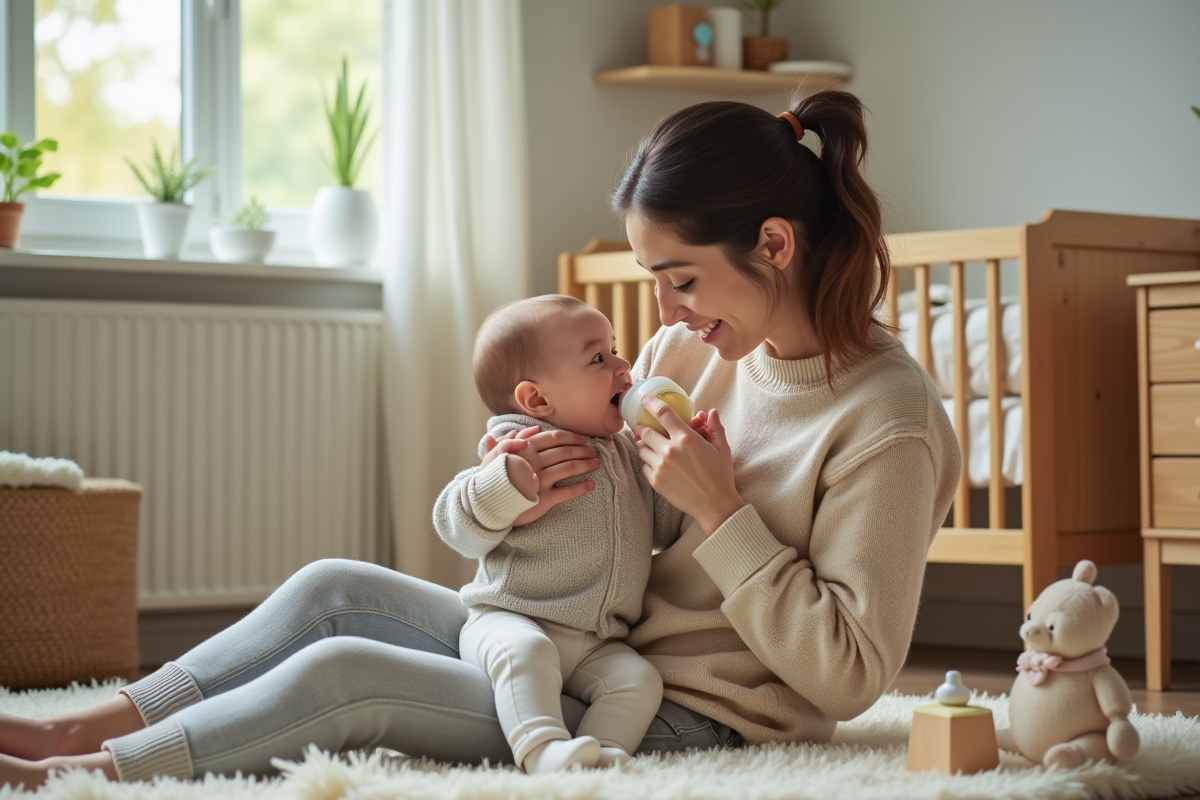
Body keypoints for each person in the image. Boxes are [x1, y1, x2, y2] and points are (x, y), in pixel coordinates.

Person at [0, 88, 960, 788]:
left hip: (669, 712)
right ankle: (80, 722)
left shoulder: (887, 420)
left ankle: (92, 773)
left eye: (682, 277)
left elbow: (848, 678)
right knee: (334, 585)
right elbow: (599, 487)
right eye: (654, 279)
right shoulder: (687, 348)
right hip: (574, 633)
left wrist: (722, 508)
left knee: (346, 677)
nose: (664, 310)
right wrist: (523, 480)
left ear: (775, 245)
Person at [435, 294, 683, 773]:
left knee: (639, 680)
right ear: (538, 400)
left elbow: (666, 528)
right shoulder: (518, 444)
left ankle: (602, 750)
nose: (622, 363)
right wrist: (505, 484)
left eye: (614, 348)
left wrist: (676, 466)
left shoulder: (628, 450)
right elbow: (456, 525)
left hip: (598, 639)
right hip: (513, 619)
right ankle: (542, 752)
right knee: (526, 656)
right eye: (598, 357)